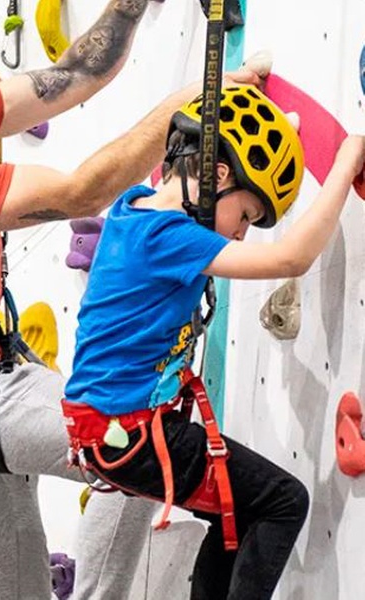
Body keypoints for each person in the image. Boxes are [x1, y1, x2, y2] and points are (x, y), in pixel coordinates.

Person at [0, 2, 262, 598]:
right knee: (127, 442)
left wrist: (129, 6)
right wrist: (188, 106)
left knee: (15, 587)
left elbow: (75, 73)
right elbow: (80, 194)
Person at [62, 84, 365, 600]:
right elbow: (291, 259)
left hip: (108, 431)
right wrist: (347, 160)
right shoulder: (168, 237)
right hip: (131, 434)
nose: (241, 233)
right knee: (282, 502)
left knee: (237, 510)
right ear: (218, 174)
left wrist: (241, 100)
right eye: (245, 215)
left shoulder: (132, 210)